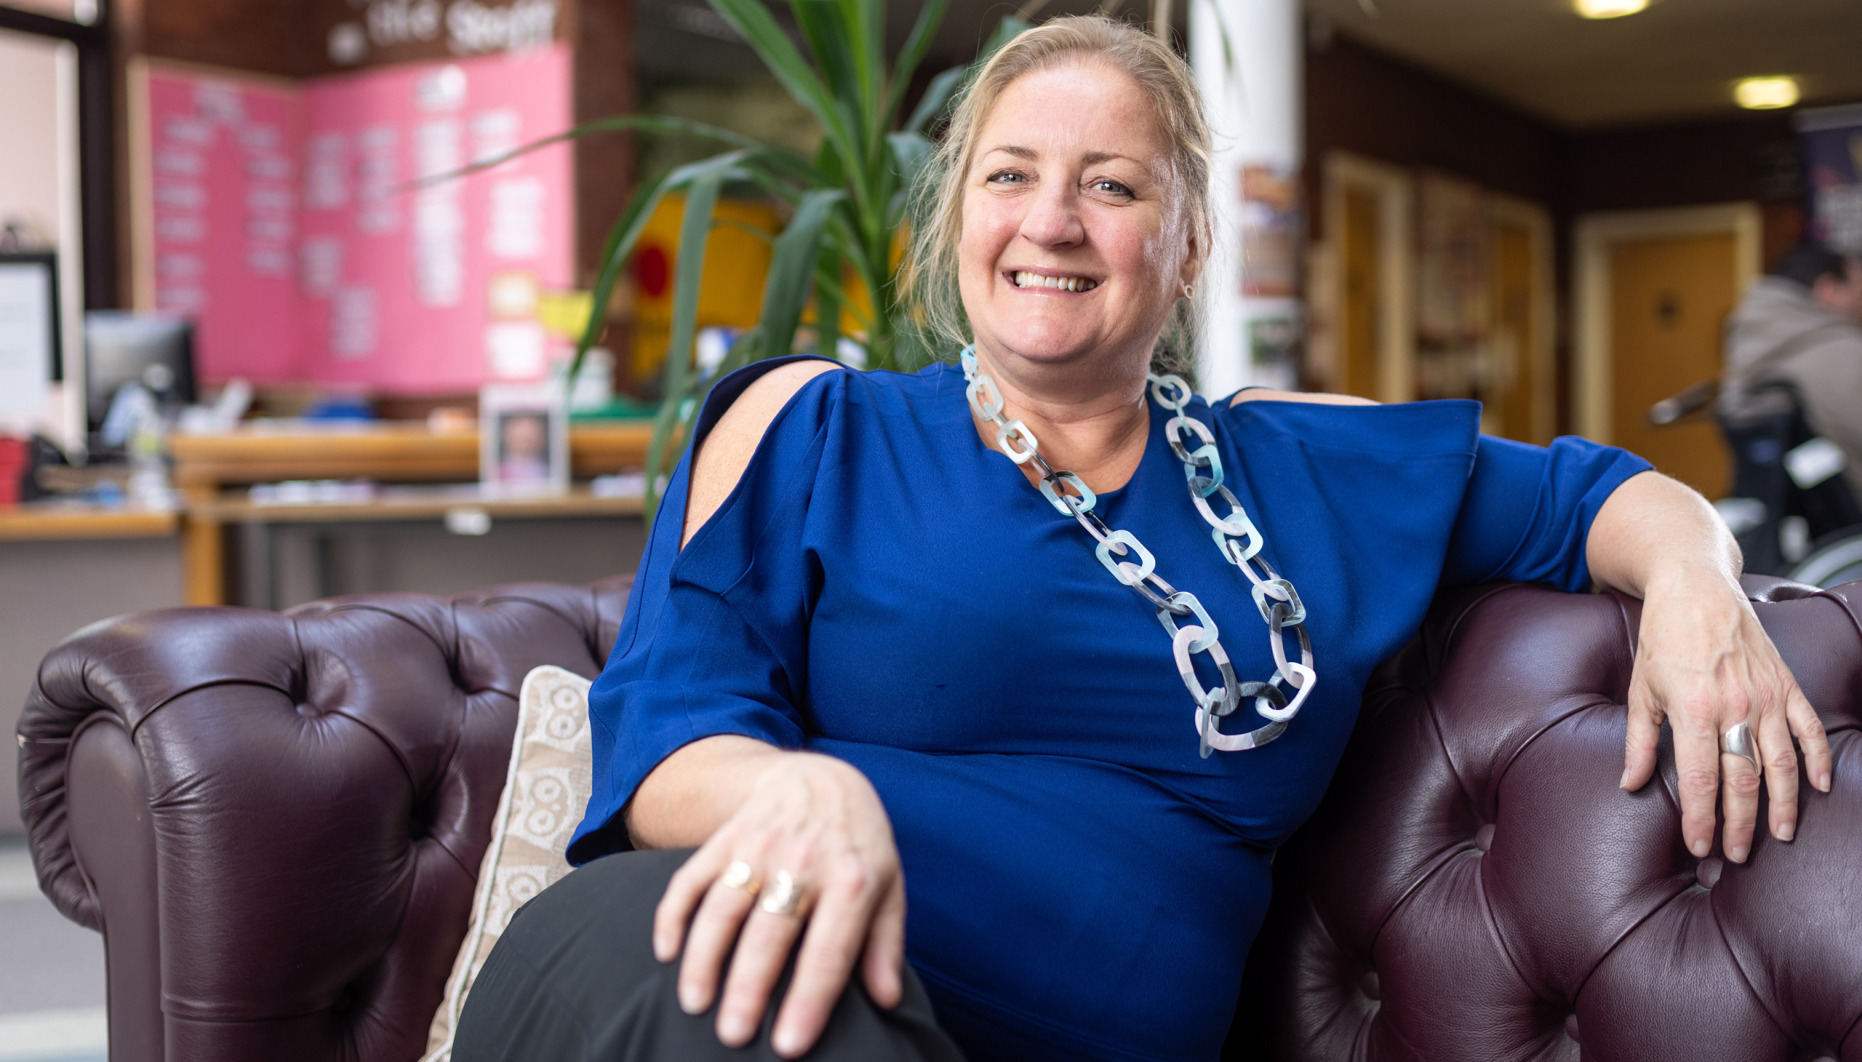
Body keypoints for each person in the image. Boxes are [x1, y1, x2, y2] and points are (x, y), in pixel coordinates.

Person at [456, 17, 1831, 1062]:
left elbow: (1598, 493)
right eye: (1009, 175)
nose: (1050, 221)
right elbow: (664, 737)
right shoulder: (812, 426)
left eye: (1109, 185)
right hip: (717, 964)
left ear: (1182, 248)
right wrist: (788, 794)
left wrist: (1698, 582)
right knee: (749, 999)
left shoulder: (1298, 466)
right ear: (956, 222)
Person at [1721, 240, 1862, 499]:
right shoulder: (1842, 350)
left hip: (1786, 517)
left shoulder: (1750, 342)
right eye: (1856, 288)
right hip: (1846, 521)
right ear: (1828, 289)